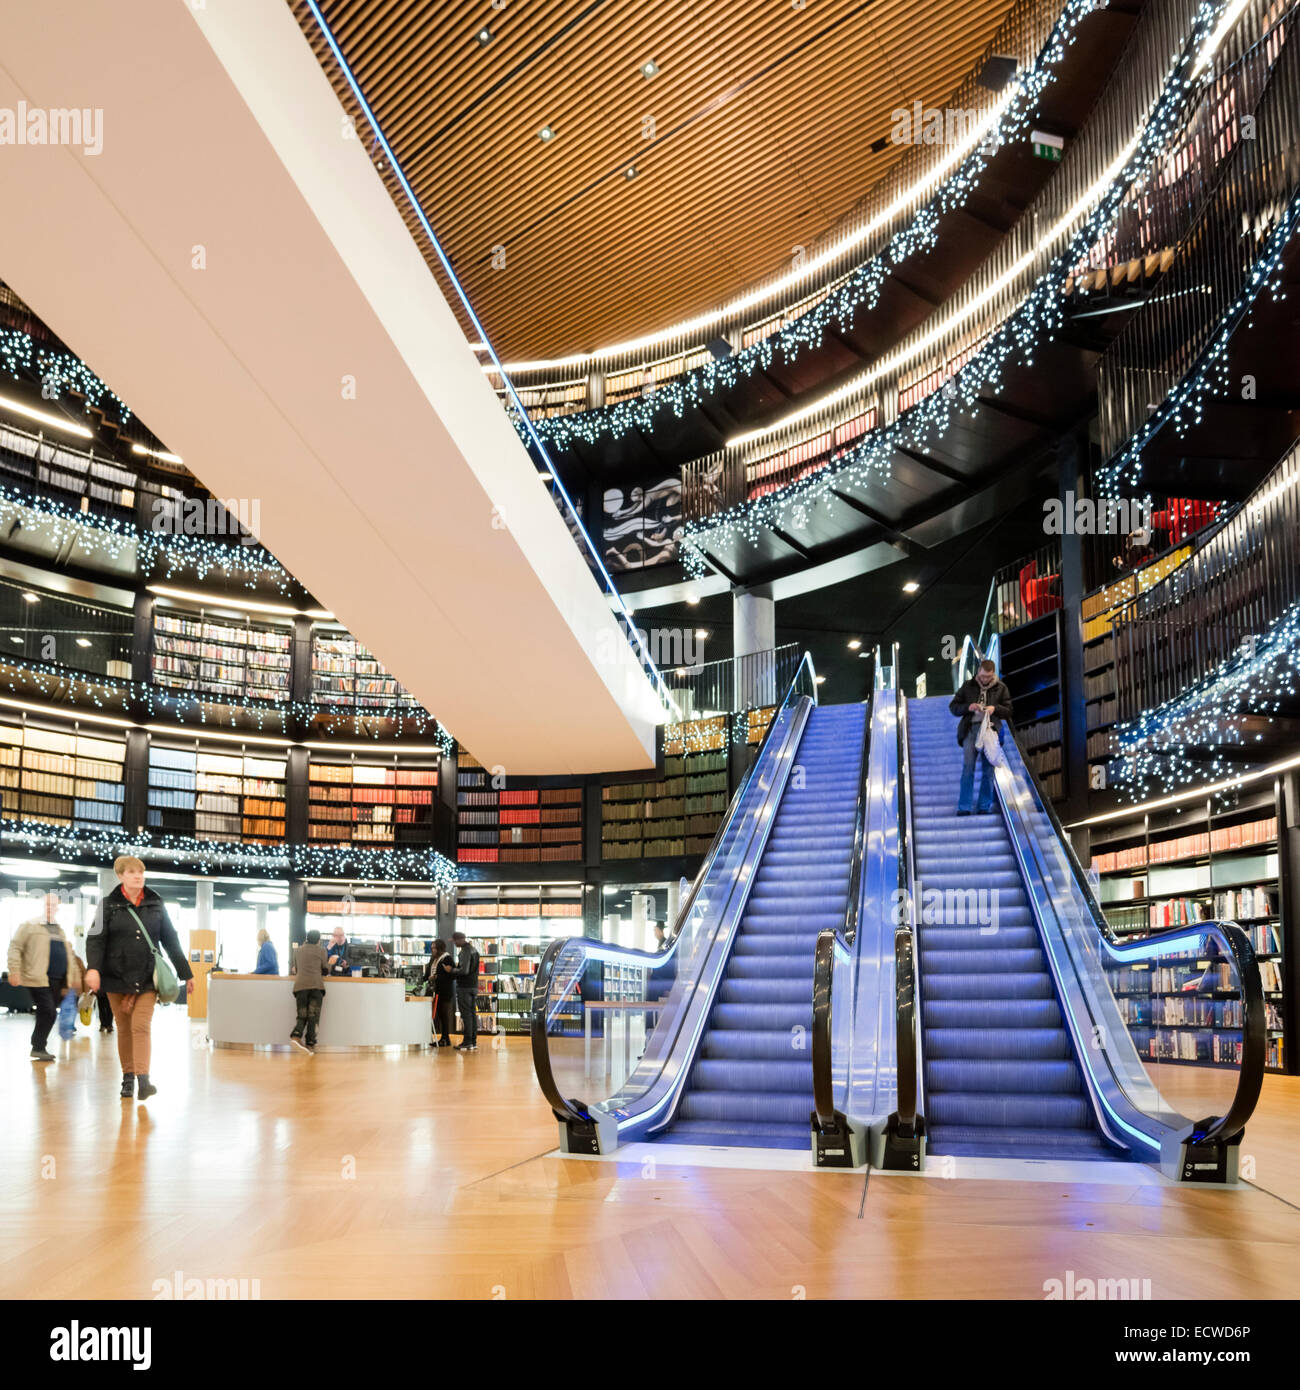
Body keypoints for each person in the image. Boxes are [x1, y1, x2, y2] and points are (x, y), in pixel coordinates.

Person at [84, 856, 192, 1099]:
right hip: (116, 977)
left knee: (140, 1026)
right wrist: (93, 968)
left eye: (141, 872)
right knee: (123, 1028)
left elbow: (171, 940)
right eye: (132, 872)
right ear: (120, 876)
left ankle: (144, 1080)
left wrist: (186, 974)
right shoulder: (107, 906)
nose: (138, 876)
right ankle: (128, 1078)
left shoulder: (155, 904)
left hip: (147, 976)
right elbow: (95, 940)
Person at [7, 891, 83, 1062]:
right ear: (42, 905)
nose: (51, 907)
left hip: (58, 979)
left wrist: (74, 976)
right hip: (37, 977)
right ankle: (38, 1046)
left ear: (58, 907)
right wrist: (14, 970)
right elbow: (15, 947)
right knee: (48, 1011)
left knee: (48, 1012)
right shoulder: (29, 925)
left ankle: (39, 1046)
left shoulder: (59, 929)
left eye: (54, 905)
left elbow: (69, 955)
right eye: (48, 904)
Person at [949, 658, 1013, 816]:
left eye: (989, 677)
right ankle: (964, 807)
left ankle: (984, 806)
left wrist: (994, 708)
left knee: (988, 770)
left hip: (990, 731)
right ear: (978, 672)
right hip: (971, 729)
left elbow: (1009, 710)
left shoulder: (1001, 688)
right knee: (968, 768)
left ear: (993, 674)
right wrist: (968, 707)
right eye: (983, 676)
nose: (985, 679)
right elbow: (953, 707)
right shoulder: (968, 686)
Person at [289, 929, 330, 1054]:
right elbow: (325, 970)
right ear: (318, 940)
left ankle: (296, 1037)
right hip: (316, 987)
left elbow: (295, 969)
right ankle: (310, 1045)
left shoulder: (298, 950)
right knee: (313, 1016)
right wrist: (331, 964)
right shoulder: (321, 950)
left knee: (302, 1015)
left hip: (300, 987)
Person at [450, 932, 480, 1052]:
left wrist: (451, 969)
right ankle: (473, 1041)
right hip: (473, 986)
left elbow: (464, 970)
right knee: (472, 1014)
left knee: (466, 1014)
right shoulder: (474, 950)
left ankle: (467, 1041)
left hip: (465, 986)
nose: (455, 943)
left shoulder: (465, 951)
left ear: (460, 940)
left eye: (455, 941)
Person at [425, 938, 456, 1047]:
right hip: (435, 991)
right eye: (432, 948)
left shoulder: (447, 958)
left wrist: (436, 977)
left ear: (440, 948)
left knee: (444, 1016)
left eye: (434, 948)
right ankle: (442, 1038)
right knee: (439, 1015)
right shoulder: (433, 959)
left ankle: (445, 1039)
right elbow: (427, 973)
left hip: (445, 992)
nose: (432, 950)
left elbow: (452, 975)